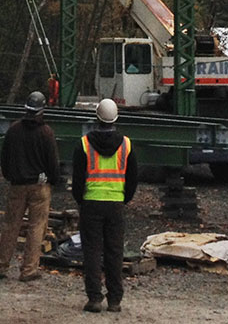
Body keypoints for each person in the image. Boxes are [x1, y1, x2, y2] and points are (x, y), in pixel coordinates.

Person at [72, 98, 137, 314]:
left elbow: (77, 179)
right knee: (114, 252)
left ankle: (94, 298)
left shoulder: (84, 144)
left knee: (91, 252)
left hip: (91, 203)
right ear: (116, 117)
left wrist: (82, 200)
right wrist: (123, 199)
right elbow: (132, 179)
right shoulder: (126, 145)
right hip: (115, 204)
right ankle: (115, 300)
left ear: (97, 117)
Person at [0, 91, 62, 282]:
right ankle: (29, 269)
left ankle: (1, 265)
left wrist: (10, 176)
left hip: (17, 185)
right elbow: (52, 163)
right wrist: (54, 180)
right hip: (39, 185)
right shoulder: (46, 133)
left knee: (10, 225)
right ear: (42, 110)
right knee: (36, 227)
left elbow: (4, 158)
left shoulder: (14, 130)